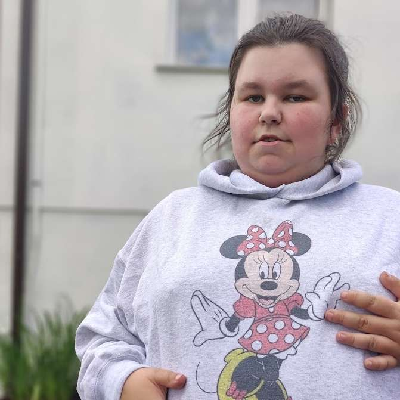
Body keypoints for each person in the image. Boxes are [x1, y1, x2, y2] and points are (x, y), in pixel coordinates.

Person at [75, 13, 400, 400]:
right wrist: (124, 382)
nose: (269, 113)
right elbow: (102, 339)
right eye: (253, 97)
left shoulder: (389, 218)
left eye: (295, 96)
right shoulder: (172, 219)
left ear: (337, 119)